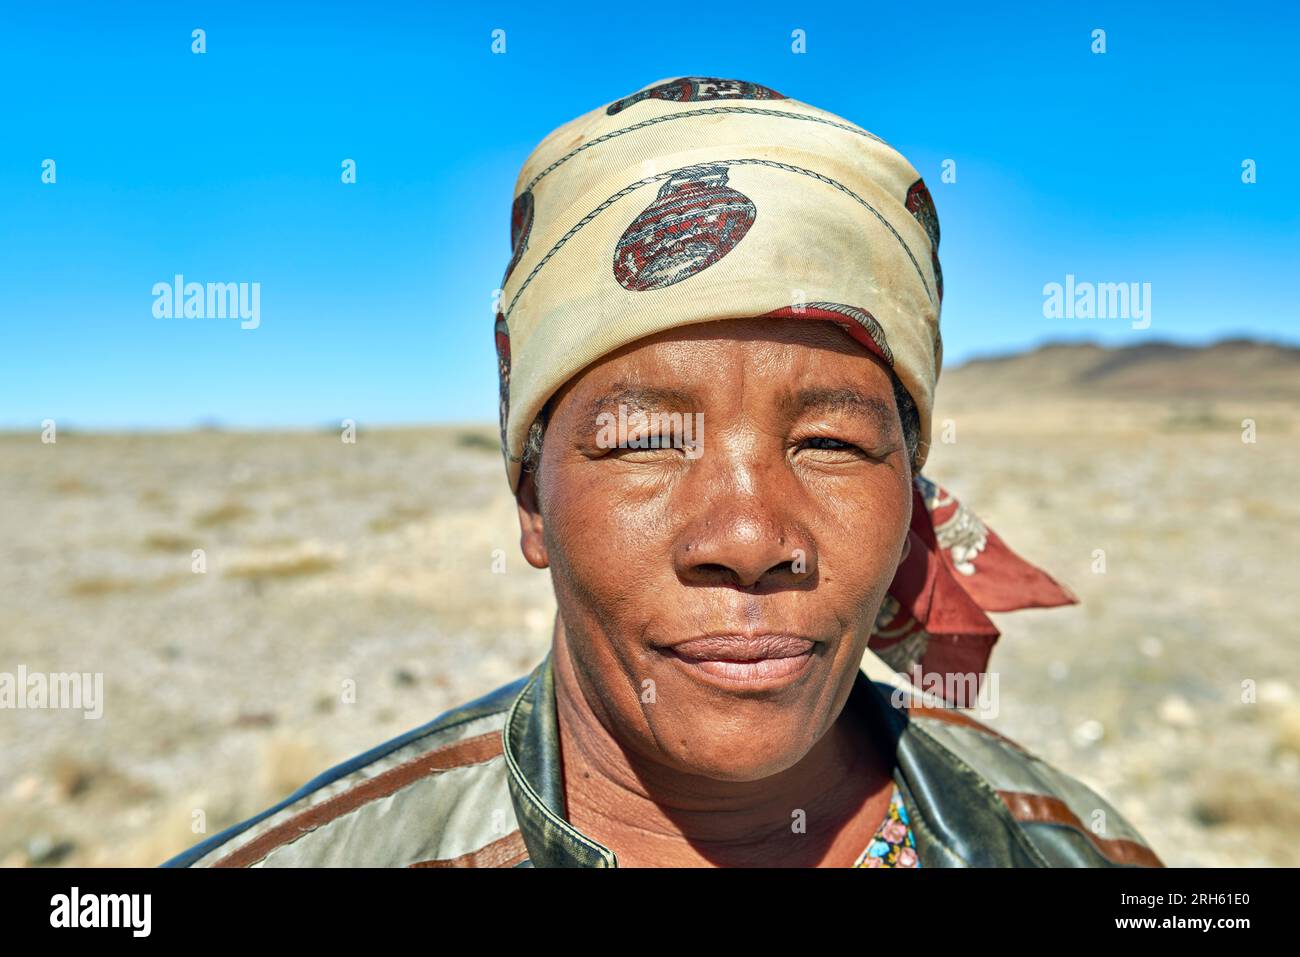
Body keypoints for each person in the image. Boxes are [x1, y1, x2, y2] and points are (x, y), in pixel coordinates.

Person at [163, 76, 1163, 868]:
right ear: (531, 498)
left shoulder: (1063, 845)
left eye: (830, 443)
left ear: (910, 493)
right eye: (644, 441)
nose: (748, 540)